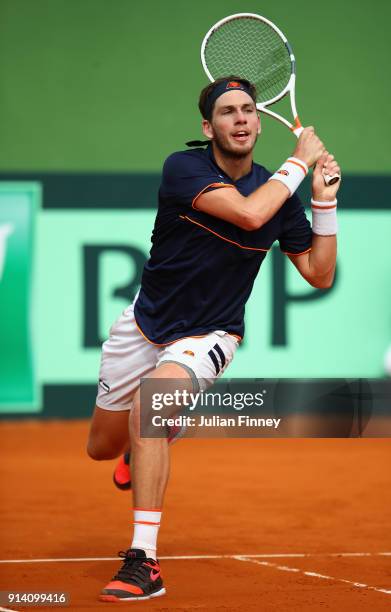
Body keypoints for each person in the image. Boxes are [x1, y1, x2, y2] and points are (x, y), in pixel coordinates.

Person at [87, 76, 340, 602]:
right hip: (144, 323)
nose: (242, 119)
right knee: (100, 447)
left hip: (210, 333)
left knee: (151, 410)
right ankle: (141, 451)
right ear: (209, 127)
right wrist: (300, 163)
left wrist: (322, 204)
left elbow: (318, 273)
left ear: (258, 119)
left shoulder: (280, 192)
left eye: (248, 109)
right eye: (228, 112)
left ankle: (143, 562)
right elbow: (248, 213)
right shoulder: (184, 169)